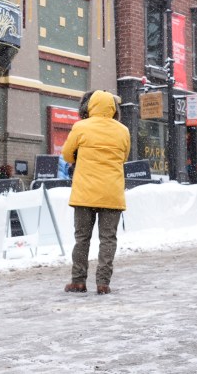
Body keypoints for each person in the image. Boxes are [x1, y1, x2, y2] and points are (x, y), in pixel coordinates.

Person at [61, 90, 130, 296]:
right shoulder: (122, 130)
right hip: (111, 193)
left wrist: (80, 157)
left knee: (82, 238)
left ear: (90, 106)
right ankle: (103, 283)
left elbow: (66, 155)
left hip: (85, 193)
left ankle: (78, 281)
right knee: (108, 239)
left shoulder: (81, 127)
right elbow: (124, 157)